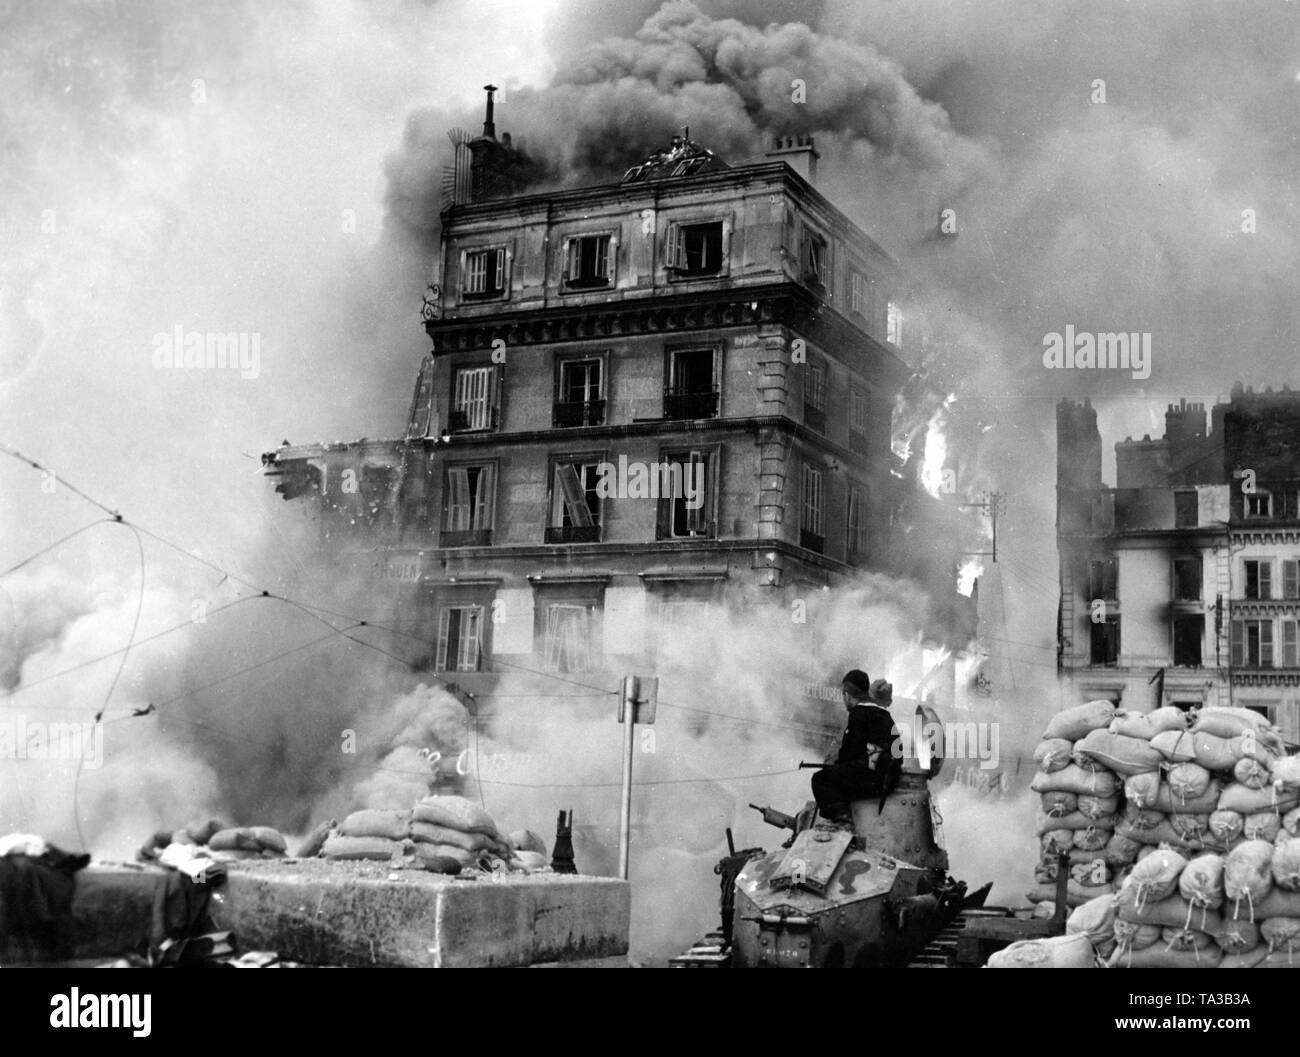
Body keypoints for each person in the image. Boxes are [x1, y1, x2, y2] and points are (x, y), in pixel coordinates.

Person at [811, 669, 903, 822]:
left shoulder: (858, 713)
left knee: (820, 780)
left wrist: (835, 769)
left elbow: (848, 753)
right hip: (889, 780)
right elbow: (897, 754)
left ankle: (842, 819)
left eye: (843, 695)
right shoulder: (885, 715)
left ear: (847, 694)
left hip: (872, 780)